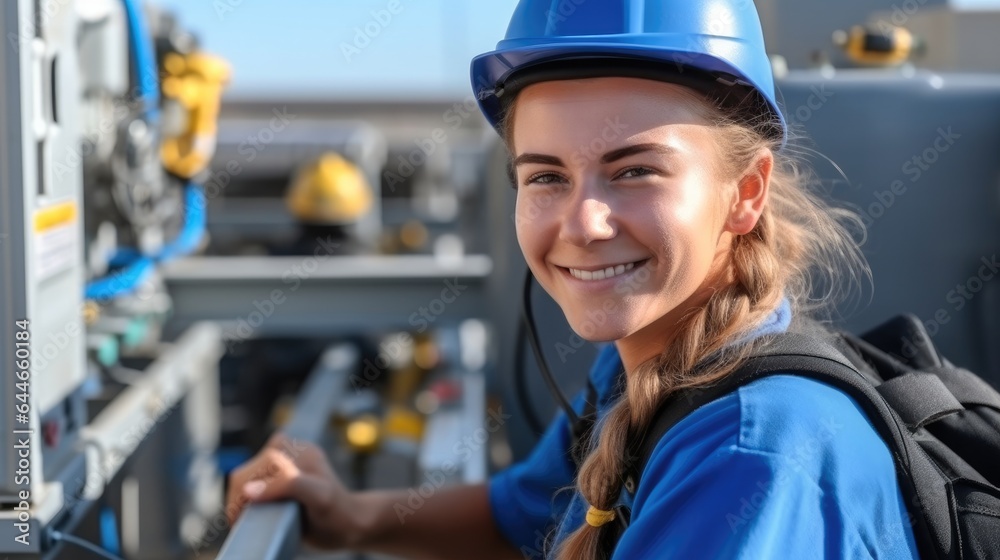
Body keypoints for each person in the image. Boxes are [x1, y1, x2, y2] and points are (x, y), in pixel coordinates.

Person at [225, 1, 921, 558]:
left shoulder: (753, 459)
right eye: (547, 177)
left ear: (745, 192)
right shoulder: (635, 366)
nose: (584, 223)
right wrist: (349, 517)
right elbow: (516, 518)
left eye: (635, 170)